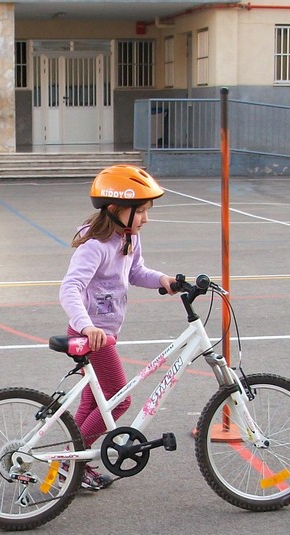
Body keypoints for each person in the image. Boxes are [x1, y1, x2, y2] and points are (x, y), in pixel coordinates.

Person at [59, 164, 178, 490]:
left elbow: (136, 272)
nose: (145, 219)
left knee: (91, 403)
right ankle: (72, 463)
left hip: (104, 334)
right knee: (120, 400)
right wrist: (86, 327)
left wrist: (163, 280)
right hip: (92, 336)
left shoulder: (128, 238)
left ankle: (73, 467)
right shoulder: (96, 245)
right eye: (140, 211)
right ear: (115, 209)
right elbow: (69, 289)